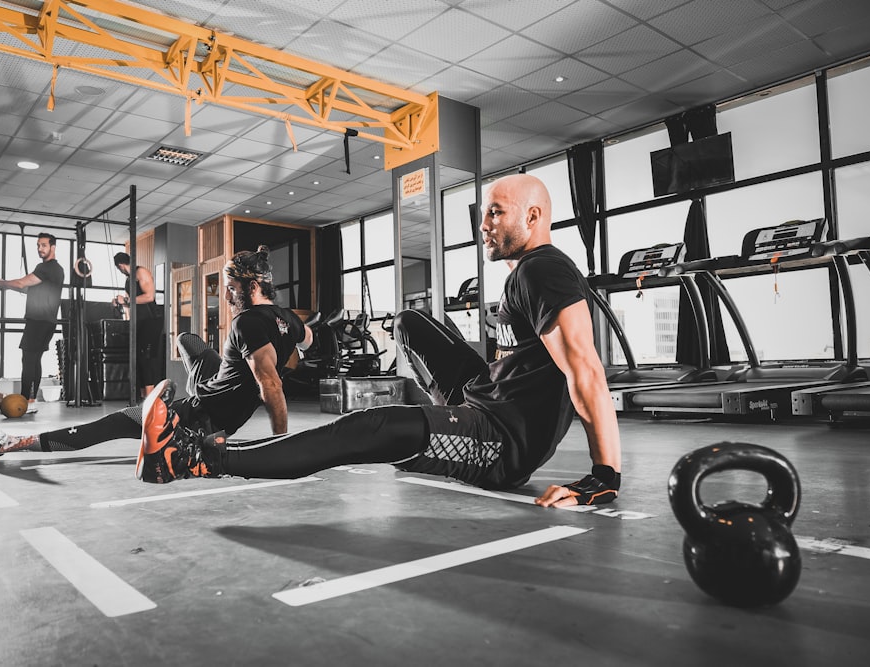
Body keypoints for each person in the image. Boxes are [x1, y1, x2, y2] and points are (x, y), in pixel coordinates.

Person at [135, 174, 622, 508]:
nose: (484, 224)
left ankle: (196, 457)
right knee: (410, 322)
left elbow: (585, 370)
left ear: (533, 216)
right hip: (488, 402)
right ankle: (442, 421)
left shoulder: (547, 270)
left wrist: (604, 477)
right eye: (484, 213)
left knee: (366, 429)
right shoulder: (527, 274)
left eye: (496, 213)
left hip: (500, 444)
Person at [0, 245, 313, 460]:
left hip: (198, 419)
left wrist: (279, 445)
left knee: (111, 423)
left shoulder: (247, 324)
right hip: (220, 399)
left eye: (231, 289)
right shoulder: (288, 321)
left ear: (252, 288)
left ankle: (4, 446)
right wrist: (294, 349)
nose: (226, 296)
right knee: (189, 340)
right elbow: (308, 339)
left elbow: (271, 386)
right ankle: (198, 385)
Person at [0, 232, 64, 404]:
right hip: (48, 322)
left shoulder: (46, 267)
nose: (39, 248)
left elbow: (22, 283)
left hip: (38, 321)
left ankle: (24, 400)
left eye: (43, 245)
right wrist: (6, 287)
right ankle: (30, 399)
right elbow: (26, 288)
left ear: (53, 247)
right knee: (34, 359)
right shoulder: (57, 270)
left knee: (28, 359)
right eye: (38, 245)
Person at [112, 252, 165, 398]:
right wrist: (119, 302)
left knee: (146, 357)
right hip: (139, 321)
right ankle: (143, 396)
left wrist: (127, 301)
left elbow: (149, 296)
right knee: (137, 358)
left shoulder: (141, 272)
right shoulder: (129, 279)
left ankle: (150, 396)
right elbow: (133, 301)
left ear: (120, 266)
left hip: (152, 320)